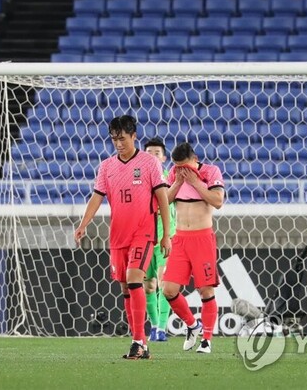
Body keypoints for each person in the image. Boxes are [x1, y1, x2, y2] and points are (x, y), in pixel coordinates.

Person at [74, 115, 171, 360]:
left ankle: (138, 341)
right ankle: (141, 342)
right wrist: (83, 224)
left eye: (123, 138)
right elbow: (97, 197)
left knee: (135, 279)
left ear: (134, 136)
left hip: (143, 232)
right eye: (114, 139)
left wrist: (166, 235)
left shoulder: (149, 163)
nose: (118, 143)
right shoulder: (106, 166)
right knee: (126, 288)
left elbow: (162, 198)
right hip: (118, 235)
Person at [161, 142, 225, 354]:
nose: (181, 170)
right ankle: (192, 324)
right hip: (180, 238)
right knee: (168, 290)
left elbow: (218, 201)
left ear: (195, 159)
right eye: (177, 166)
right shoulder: (174, 173)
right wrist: (178, 183)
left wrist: (196, 183)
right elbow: (164, 201)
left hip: (202, 238)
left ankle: (206, 340)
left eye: (184, 166)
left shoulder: (210, 172)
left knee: (205, 290)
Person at [142, 137, 177, 342]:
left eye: (157, 153)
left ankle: (162, 328)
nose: (153, 156)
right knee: (148, 286)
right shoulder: (138, 179)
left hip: (166, 237)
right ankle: (154, 326)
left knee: (164, 283)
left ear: (164, 158)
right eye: (149, 153)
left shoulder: (171, 178)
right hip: (145, 238)